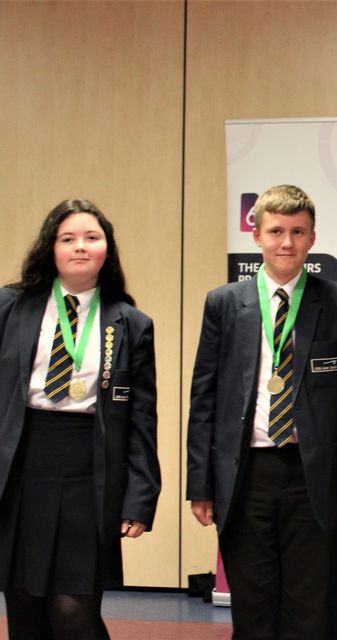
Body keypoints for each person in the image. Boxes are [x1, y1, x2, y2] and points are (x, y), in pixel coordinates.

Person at [186, 184, 337, 639]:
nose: (286, 242)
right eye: (275, 231)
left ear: (312, 238)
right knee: (252, 608)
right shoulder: (225, 303)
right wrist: (200, 485)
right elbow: (204, 399)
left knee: (308, 609)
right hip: (245, 475)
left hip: (312, 478)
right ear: (256, 236)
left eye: (297, 232)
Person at [0, 198, 161, 640]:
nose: (79, 247)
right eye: (67, 238)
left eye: (92, 238)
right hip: (20, 469)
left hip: (90, 474)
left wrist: (140, 497)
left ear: (107, 250)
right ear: (49, 249)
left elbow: (142, 420)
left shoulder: (130, 323)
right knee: (25, 606)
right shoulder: (10, 306)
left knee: (74, 612)